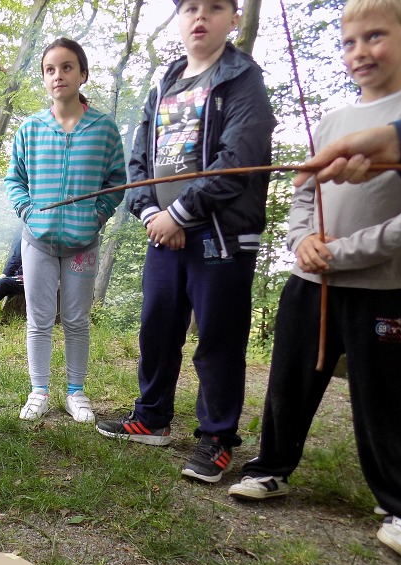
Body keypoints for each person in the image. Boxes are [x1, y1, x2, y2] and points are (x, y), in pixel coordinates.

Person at [227, 0, 401, 562]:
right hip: (309, 280)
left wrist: (344, 252)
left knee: (384, 396)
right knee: (290, 381)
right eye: (349, 42)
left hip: (379, 290)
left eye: (375, 37)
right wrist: (301, 242)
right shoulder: (333, 121)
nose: (359, 52)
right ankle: (272, 466)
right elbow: (303, 192)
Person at [95, 0, 276, 485]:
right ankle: (150, 417)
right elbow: (138, 160)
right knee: (157, 328)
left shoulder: (243, 81)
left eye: (215, 7)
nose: (201, 16)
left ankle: (216, 437)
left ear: (233, 18)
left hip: (220, 236)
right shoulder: (165, 83)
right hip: (163, 234)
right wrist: (151, 211)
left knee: (217, 338)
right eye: (190, 7)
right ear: (178, 19)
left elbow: (239, 158)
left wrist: (181, 213)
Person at [4, 38, 128, 425]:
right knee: (39, 320)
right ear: (44, 78)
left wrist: (96, 217)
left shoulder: (104, 128)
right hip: (37, 241)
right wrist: (28, 212)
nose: (58, 75)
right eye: (50, 69)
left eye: (67, 67)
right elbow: (14, 180)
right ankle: (38, 390)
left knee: (75, 319)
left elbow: (117, 182)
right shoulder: (30, 129)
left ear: (83, 74)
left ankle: (77, 392)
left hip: (82, 244)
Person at [294, 109, 401, 186]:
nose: (360, 53)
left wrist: (351, 244)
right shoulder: (329, 121)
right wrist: (301, 235)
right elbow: (305, 191)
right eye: (349, 49)